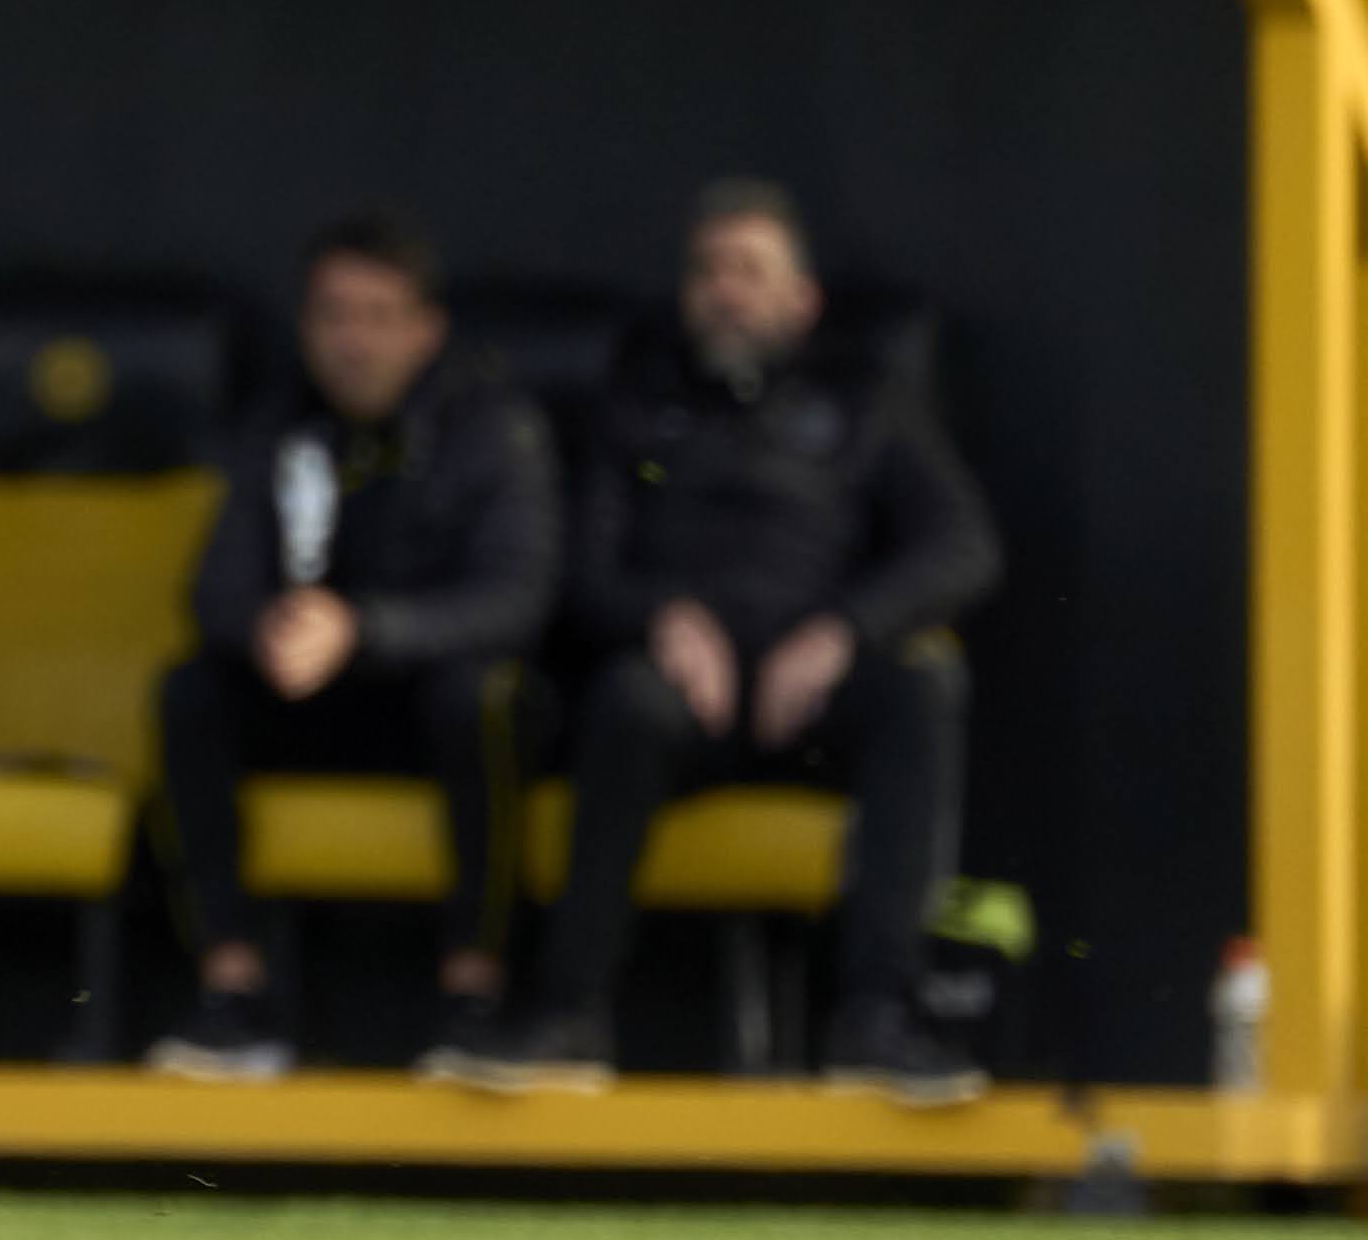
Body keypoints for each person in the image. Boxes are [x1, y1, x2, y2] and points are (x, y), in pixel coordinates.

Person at [441, 181, 1001, 1104]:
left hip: (811, 700)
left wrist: (842, 629)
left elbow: (964, 544)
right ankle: (569, 1012)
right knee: (626, 698)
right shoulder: (635, 403)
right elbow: (579, 571)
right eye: (706, 271)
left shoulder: (863, 402)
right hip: (681, 703)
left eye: (748, 270)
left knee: (921, 685)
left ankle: (876, 1016)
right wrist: (660, 616)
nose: (724, 290)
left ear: (800, 299)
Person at [146, 214, 561, 1083]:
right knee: (190, 688)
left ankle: (473, 996)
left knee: (482, 697)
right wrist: (270, 626)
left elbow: (514, 601)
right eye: (334, 315)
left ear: (425, 329)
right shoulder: (279, 425)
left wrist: (364, 628)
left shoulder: (491, 428)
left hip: (428, 700)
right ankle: (234, 993)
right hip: (313, 696)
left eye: (378, 316)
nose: (353, 341)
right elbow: (213, 588)